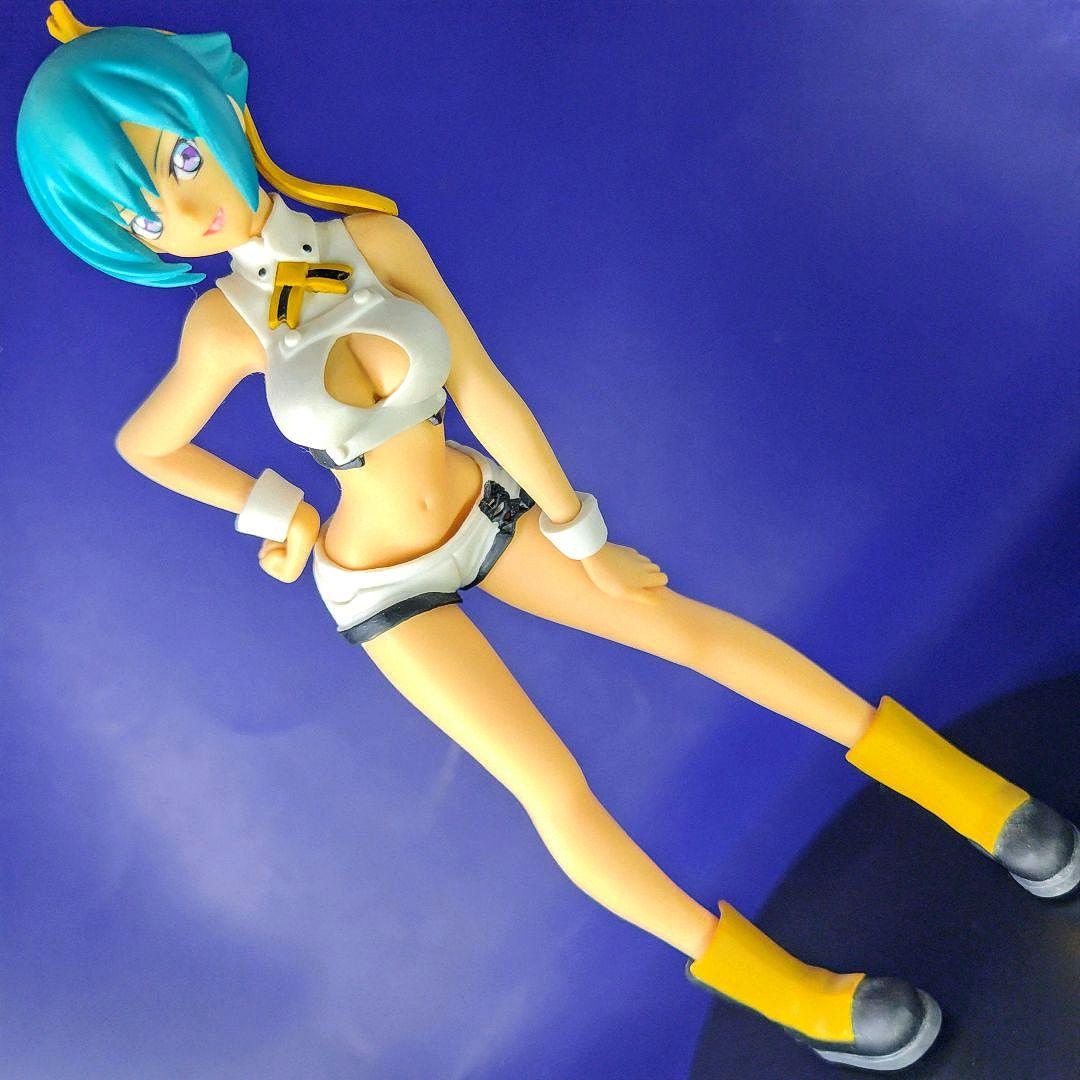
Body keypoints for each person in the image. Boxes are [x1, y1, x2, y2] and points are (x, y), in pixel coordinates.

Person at [17, 5, 1078, 1072]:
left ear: (217, 109)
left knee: (682, 629)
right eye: (144, 214)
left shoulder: (373, 244)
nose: (189, 209)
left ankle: (980, 802)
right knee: (551, 784)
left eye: (181, 157)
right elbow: (147, 445)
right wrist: (277, 512)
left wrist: (579, 531)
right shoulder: (223, 329)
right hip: (379, 585)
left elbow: (485, 392)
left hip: (484, 511)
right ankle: (794, 996)